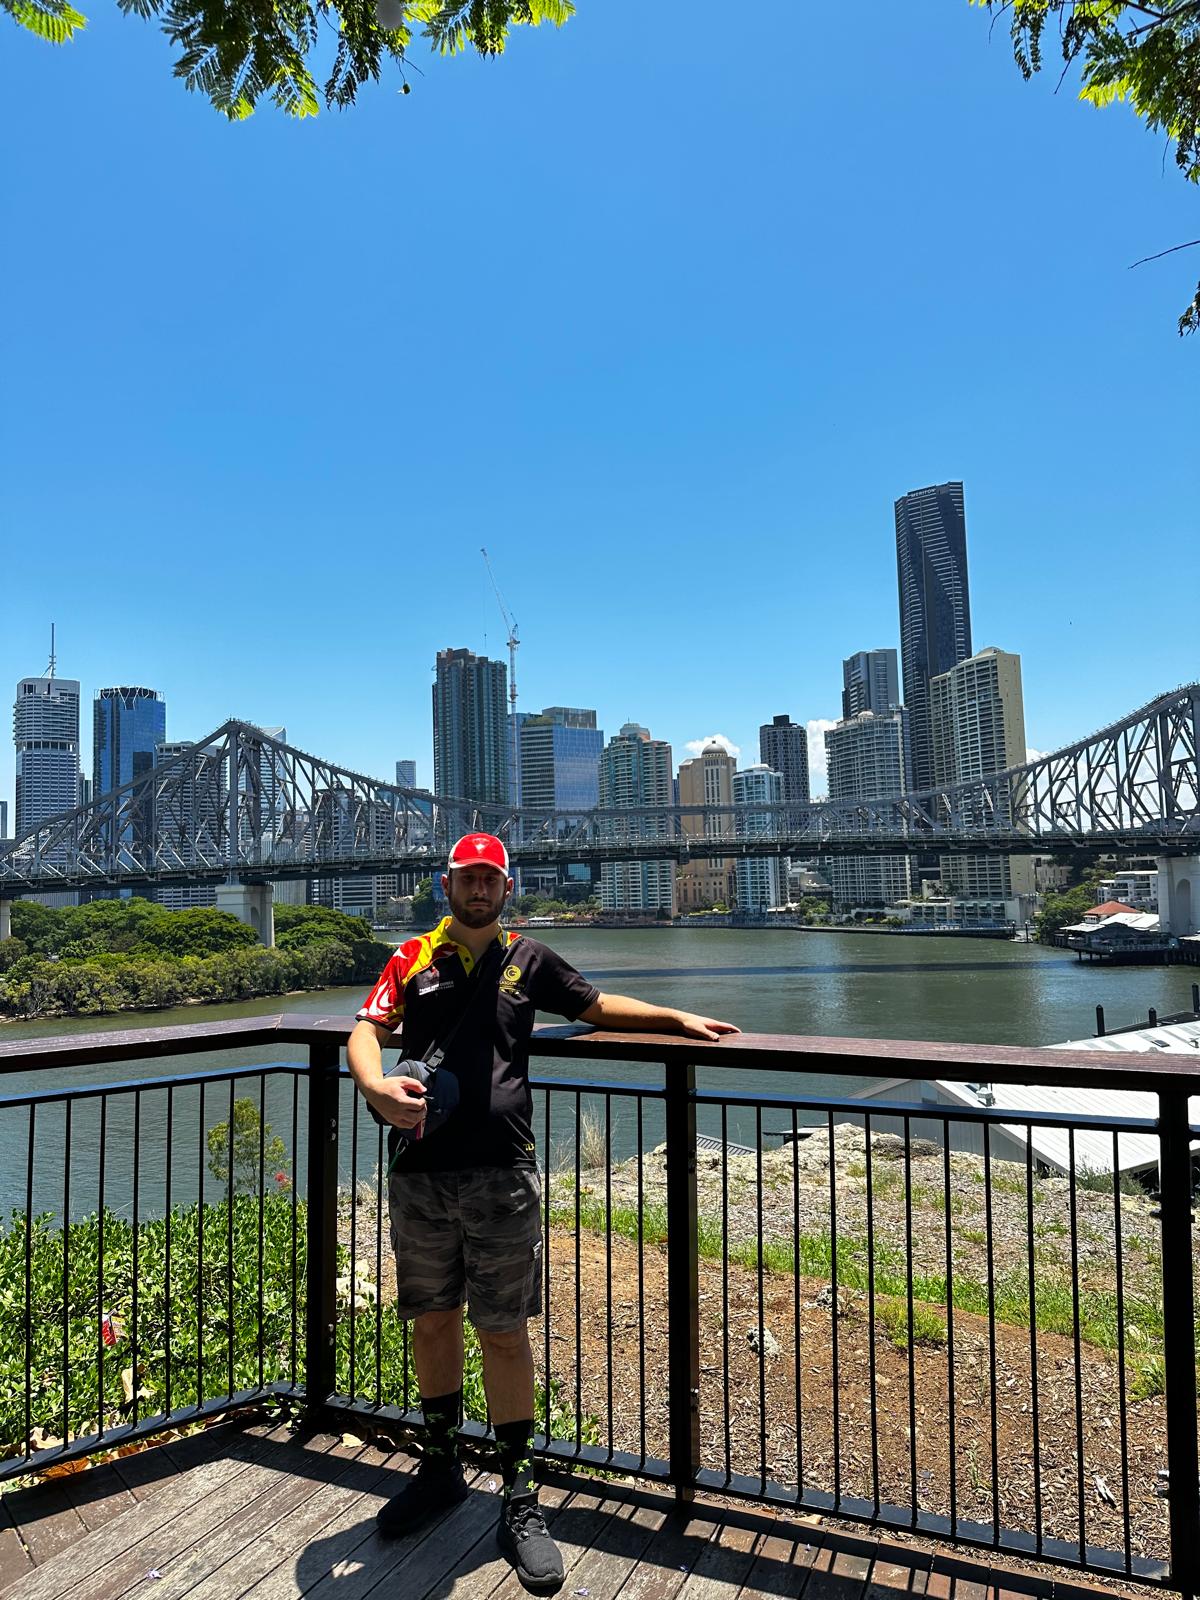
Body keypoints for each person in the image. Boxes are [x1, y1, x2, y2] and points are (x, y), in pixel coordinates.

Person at [347, 831, 738, 1590]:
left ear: (508, 886)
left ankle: (519, 1495)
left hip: (503, 1173)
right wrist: (372, 1088)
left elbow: (595, 1005)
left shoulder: (531, 959)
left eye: (491, 878)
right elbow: (367, 1029)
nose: (480, 890)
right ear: (447, 884)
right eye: (468, 878)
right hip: (420, 1172)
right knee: (431, 1320)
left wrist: (673, 1018)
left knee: (502, 1332)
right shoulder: (412, 957)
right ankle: (439, 1469)